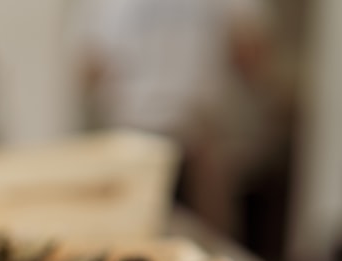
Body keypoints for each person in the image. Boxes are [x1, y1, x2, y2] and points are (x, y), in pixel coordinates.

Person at [75, 0, 271, 235]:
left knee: (136, 232)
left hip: (143, 124)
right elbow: (249, 52)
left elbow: (90, 67)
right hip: (192, 121)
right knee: (207, 236)